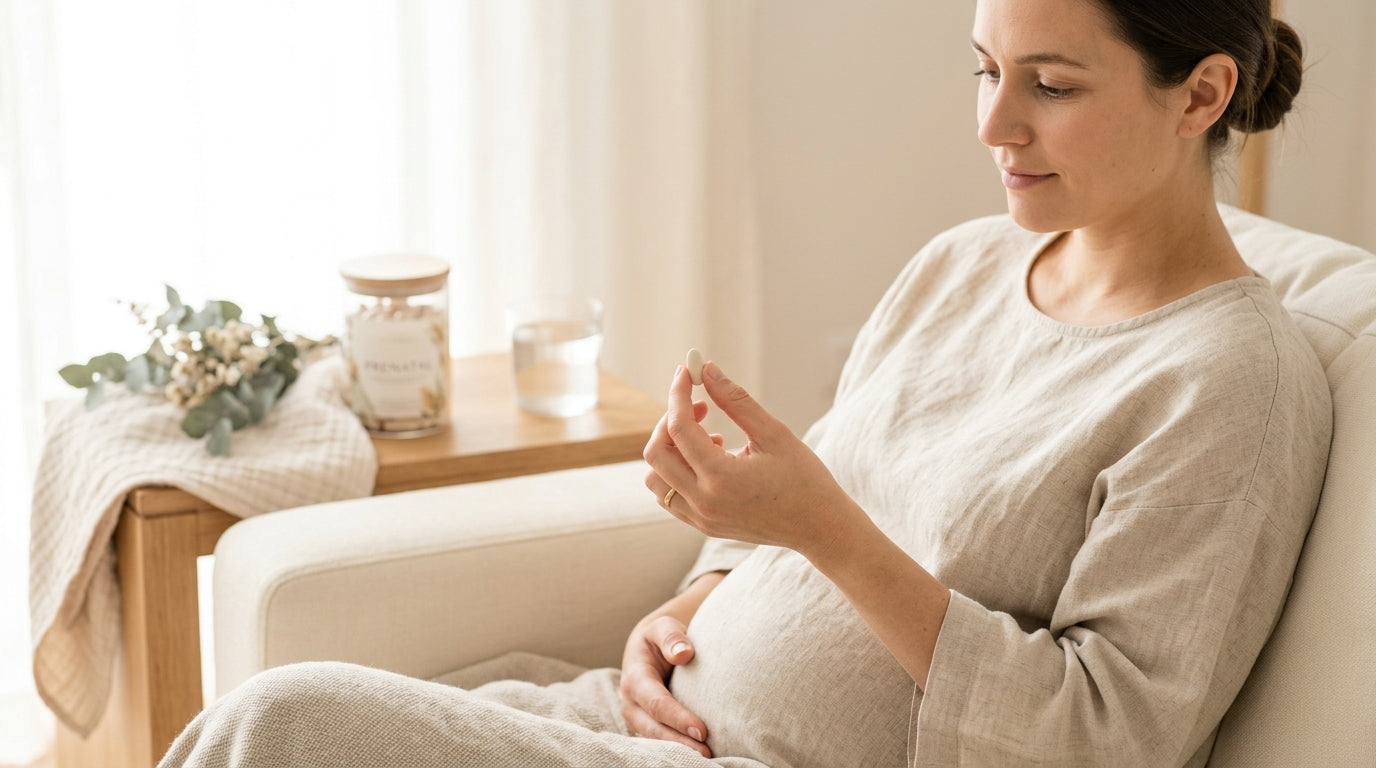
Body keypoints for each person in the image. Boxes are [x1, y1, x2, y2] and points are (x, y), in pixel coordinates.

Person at [160, 0, 1331, 766]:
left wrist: (817, 528)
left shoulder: (1225, 384)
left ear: (1199, 94)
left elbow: (1104, 737)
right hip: (648, 727)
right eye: (982, 70)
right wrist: (686, 607)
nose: (992, 123)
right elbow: (794, 515)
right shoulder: (964, 265)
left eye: (1051, 86)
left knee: (285, 723)